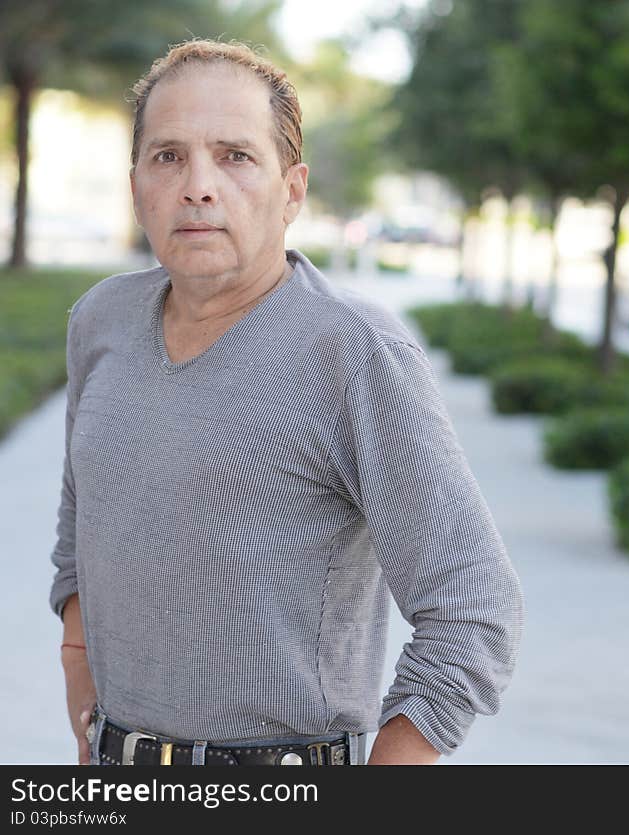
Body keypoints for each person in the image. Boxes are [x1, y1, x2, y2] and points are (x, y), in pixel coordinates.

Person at [49, 38, 524, 767]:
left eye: (236, 156)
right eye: (168, 155)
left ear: (292, 189)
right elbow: (80, 528)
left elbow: (472, 607)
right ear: (138, 182)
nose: (198, 185)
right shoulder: (99, 322)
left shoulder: (354, 350)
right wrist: (81, 687)